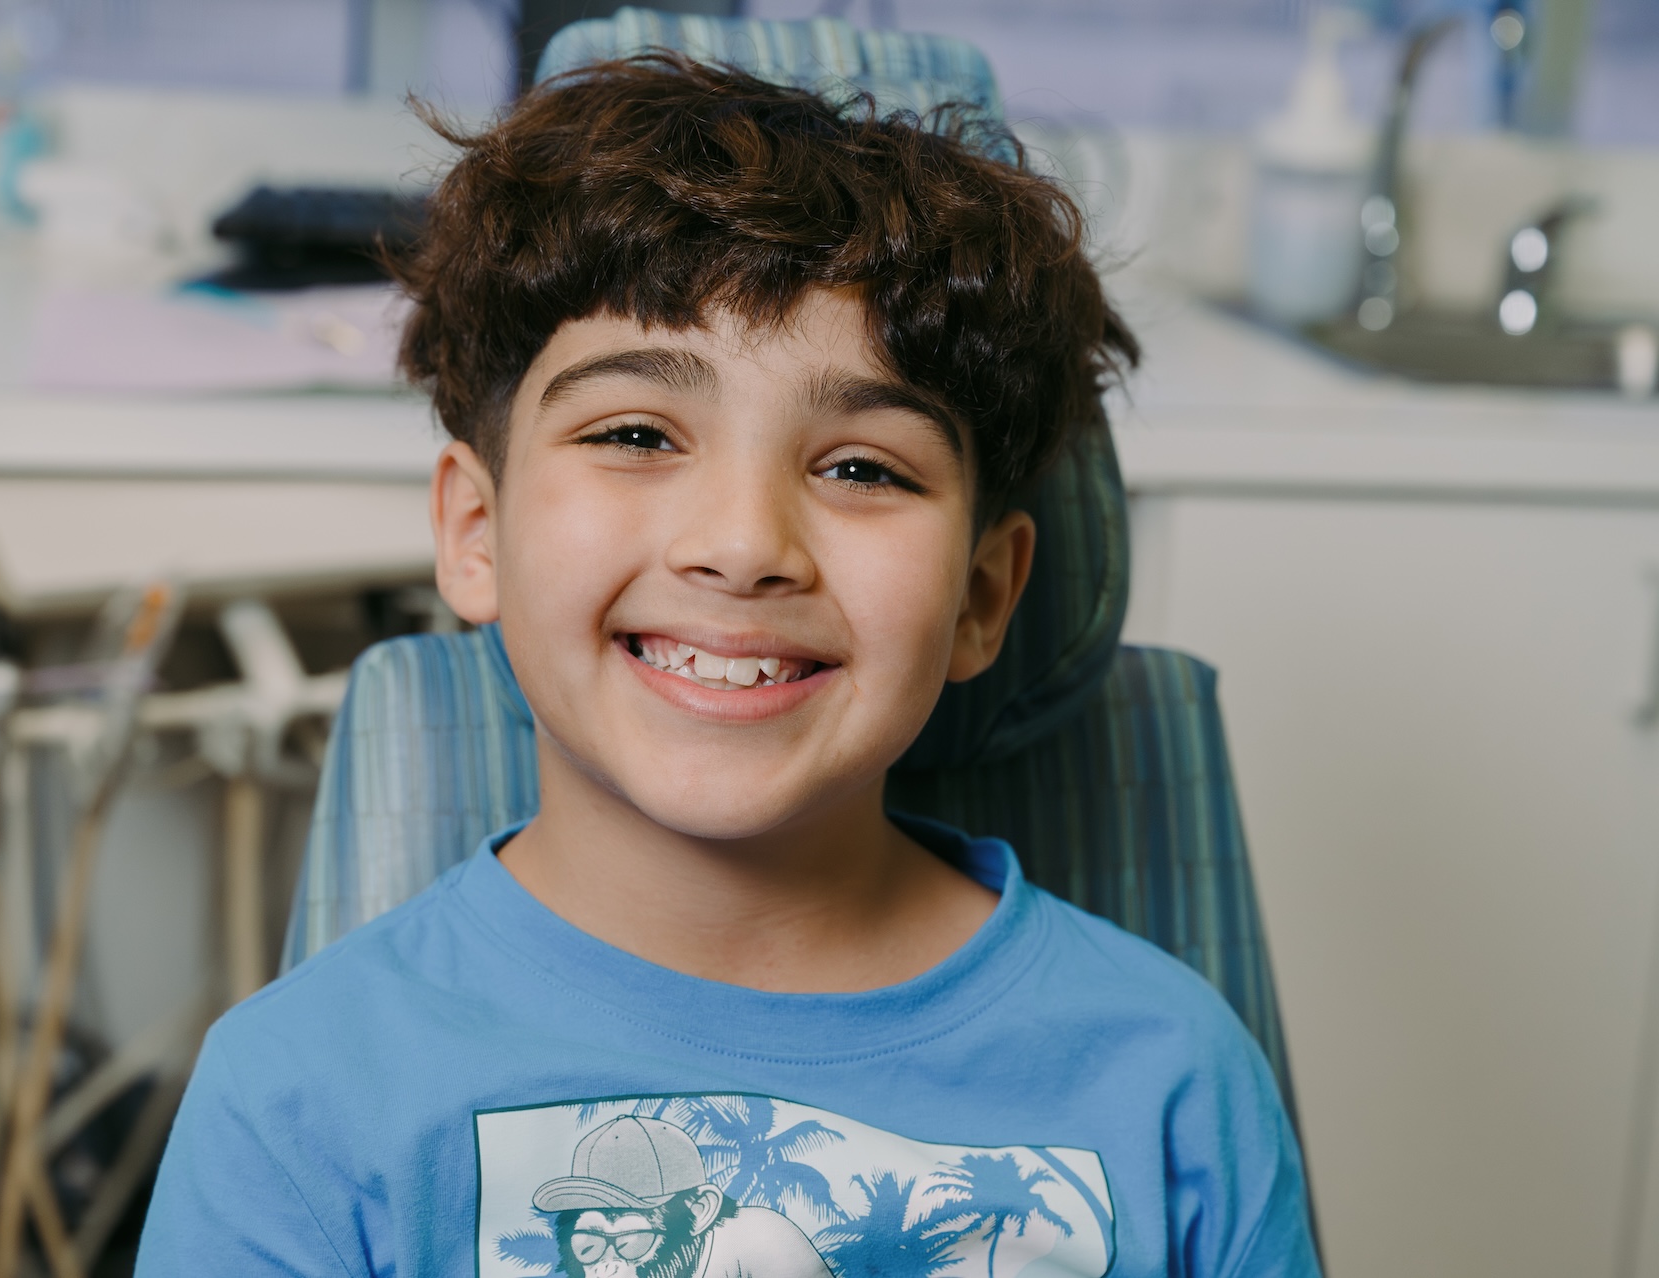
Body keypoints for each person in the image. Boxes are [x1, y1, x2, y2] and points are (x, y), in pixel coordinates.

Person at [136, 53, 1319, 1278]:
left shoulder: (1171, 1081)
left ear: (980, 599)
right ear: (476, 534)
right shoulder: (303, 1102)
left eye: (862, 467)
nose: (746, 547)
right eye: (637, 434)